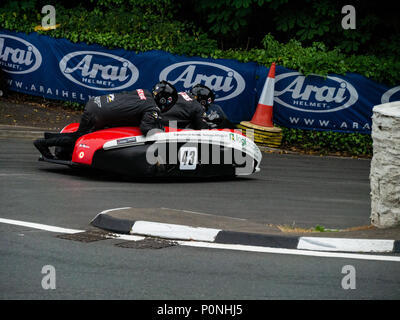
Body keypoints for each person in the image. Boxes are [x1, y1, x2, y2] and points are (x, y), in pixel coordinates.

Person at [33, 81, 178, 159]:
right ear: (164, 100)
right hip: (97, 114)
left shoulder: (143, 92)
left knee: (80, 134)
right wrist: (160, 128)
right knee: (79, 138)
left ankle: (49, 137)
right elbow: (146, 129)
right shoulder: (152, 107)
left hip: (96, 103)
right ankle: (43, 143)